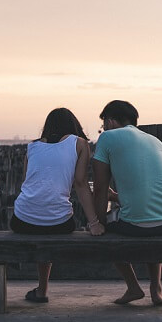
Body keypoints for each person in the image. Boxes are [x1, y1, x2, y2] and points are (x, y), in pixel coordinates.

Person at [92, 100, 162, 306]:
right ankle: (156, 289)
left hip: (137, 226)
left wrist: (98, 222)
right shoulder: (155, 141)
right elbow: (149, 192)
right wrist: (115, 197)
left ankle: (133, 287)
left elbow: (99, 188)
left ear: (111, 121)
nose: (103, 129)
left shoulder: (107, 137)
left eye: (104, 124)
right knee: (151, 222)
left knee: (106, 236)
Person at [11, 108, 105, 303]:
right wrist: (94, 222)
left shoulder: (32, 147)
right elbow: (80, 184)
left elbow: (27, 183)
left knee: (42, 221)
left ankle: (42, 290)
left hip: (22, 219)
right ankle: (42, 288)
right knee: (53, 218)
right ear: (74, 125)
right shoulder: (80, 144)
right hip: (59, 223)